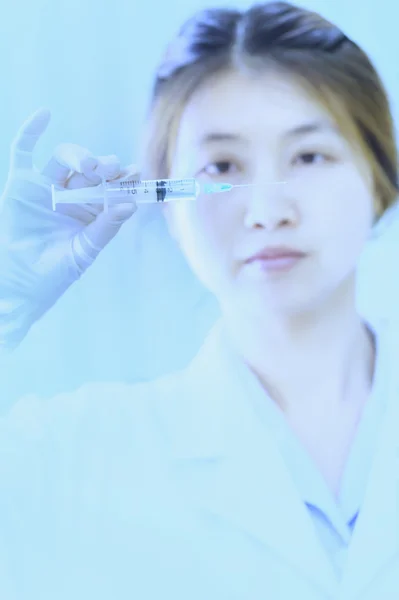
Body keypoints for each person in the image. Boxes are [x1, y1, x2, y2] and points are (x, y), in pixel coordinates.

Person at [1, 2, 399, 599]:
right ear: (166, 201)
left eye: (309, 156)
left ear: (379, 176)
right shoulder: (75, 456)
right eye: (222, 166)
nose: (266, 211)